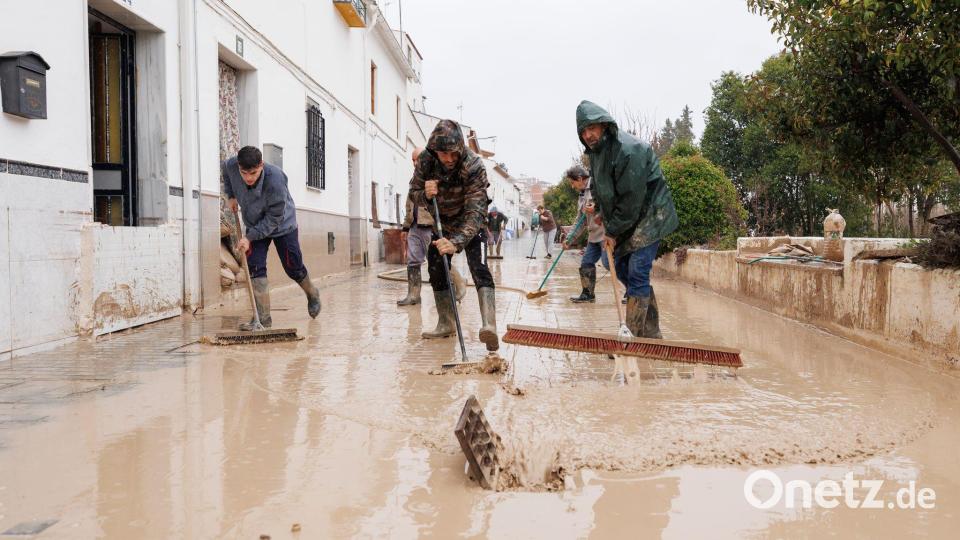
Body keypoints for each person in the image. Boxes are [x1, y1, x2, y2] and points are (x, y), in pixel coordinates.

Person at [576, 100, 678, 338]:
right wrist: (601, 212)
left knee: (637, 271)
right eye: (583, 131)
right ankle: (651, 332)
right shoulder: (596, 154)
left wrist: (611, 231)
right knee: (612, 262)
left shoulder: (629, 150)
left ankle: (631, 335)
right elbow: (602, 189)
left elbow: (631, 199)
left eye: (592, 128)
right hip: (627, 218)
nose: (588, 135)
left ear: (604, 125)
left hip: (650, 215)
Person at [409, 119, 499, 351]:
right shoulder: (427, 161)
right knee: (436, 265)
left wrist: (457, 242)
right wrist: (426, 195)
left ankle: (489, 325)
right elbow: (413, 193)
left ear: (460, 149)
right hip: (443, 222)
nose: (448, 159)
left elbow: (476, 210)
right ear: (434, 150)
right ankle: (446, 322)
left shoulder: (474, 165)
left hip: (471, 222)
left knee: (478, 266)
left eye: (452, 154)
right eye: (443, 154)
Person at [222, 145, 321, 330]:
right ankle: (263, 321)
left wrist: (249, 237)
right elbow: (226, 171)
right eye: (244, 173)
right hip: (254, 221)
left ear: (261, 165)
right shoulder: (232, 165)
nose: (249, 178)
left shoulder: (276, 179)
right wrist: (232, 195)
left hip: (282, 224)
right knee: (255, 267)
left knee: (293, 266)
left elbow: (274, 218)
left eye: (253, 173)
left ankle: (312, 293)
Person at [561, 164, 608, 303]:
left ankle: (632, 291)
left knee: (608, 263)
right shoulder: (581, 195)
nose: (572, 185)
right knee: (586, 263)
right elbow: (580, 221)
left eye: (572, 182)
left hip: (606, 234)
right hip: (593, 236)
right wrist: (569, 239)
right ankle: (588, 294)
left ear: (580, 178)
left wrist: (596, 208)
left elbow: (611, 204)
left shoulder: (597, 186)